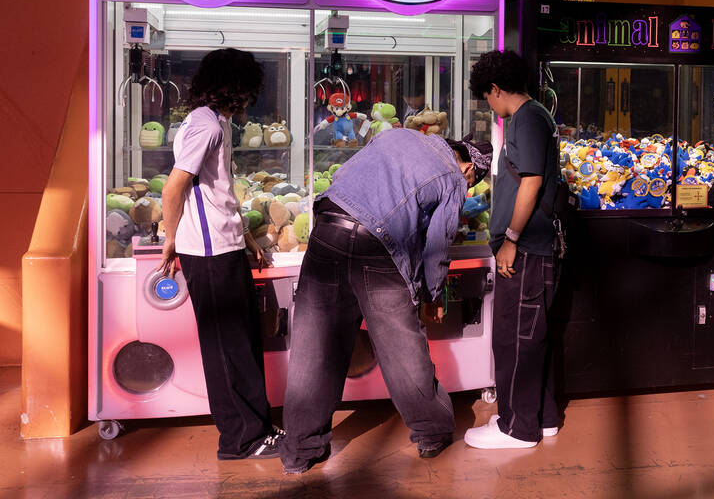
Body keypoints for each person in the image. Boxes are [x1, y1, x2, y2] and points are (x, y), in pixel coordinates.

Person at [280, 128, 492, 474]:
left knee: (314, 345)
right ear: (469, 169)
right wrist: (433, 295)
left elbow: (352, 173)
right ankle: (431, 432)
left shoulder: (398, 135)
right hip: (378, 247)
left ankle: (300, 451)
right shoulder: (453, 178)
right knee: (402, 348)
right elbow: (438, 244)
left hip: (328, 225)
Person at [157, 48, 281, 461]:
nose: (251, 98)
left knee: (240, 343)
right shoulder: (205, 126)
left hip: (224, 245)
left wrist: (244, 235)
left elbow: (217, 192)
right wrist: (169, 237)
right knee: (228, 347)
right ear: (236, 87)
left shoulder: (217, 123)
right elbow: (175, 186)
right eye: (248, 89)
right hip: (208, 253)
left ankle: (255, 427)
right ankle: (242, 439)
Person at [464, 50, 563, 450]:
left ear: (496, 88)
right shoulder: (536, 116)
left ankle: (517, 428)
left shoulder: (526, 118)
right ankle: (544, 418)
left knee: (514, 338)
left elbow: (531, 181)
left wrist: (511, 238)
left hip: (528, 249)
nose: (489, 105)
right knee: (533, 336)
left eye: (486, 97)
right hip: (534, 247)